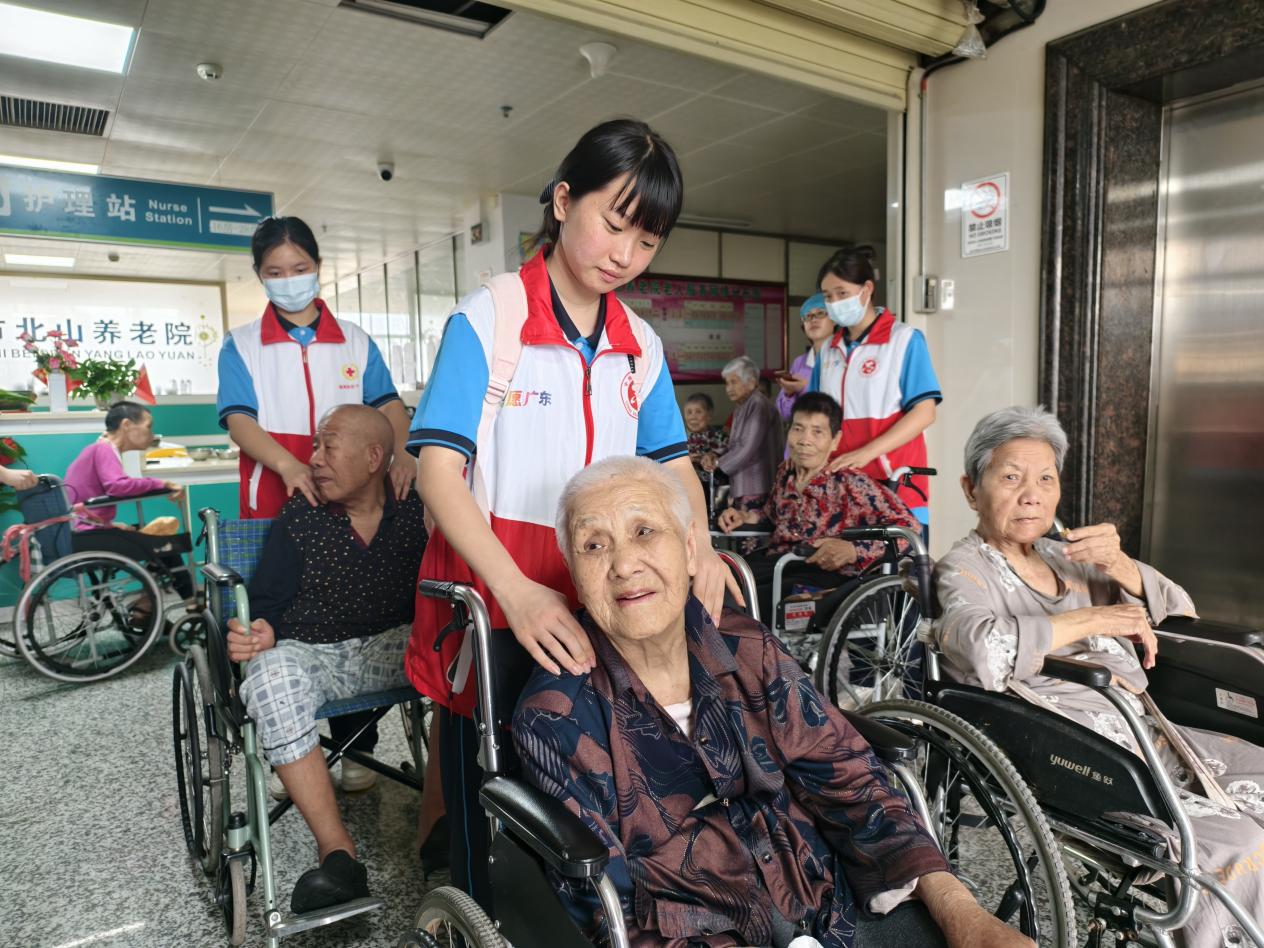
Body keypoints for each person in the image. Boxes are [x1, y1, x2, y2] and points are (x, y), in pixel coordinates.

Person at [404, 118, 737, 911]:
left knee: (595, 781)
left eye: (647, 242)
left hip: (602, 594)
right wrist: (517, 593)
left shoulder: (639, 344)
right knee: (490, 788)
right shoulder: (491, 318)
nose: (624, 255)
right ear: (562, 201)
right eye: (613, 224)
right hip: (495, 599)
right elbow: (437, 473)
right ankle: (478, 904)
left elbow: (673, 466)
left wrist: (701, 545)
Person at [513, 456, 1033, 948]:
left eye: (644, 531)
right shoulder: (556, 717)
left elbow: (850, 779)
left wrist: (965, 914)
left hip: (826, 899)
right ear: (574, 572)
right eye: (594, 545)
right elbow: (611, 914)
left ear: (691, 548)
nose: (625, 564)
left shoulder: (746, 646)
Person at [934, 405, 1264, 948]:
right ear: (972, 490)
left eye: (1045, 479)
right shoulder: (965, 567)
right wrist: (1094, 619)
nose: (1031, 495)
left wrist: (1123, 567)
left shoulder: (1072, 556)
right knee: (1236, 844)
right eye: (1011, 477)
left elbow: (1184, 615)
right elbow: (977, 645)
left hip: (1150, 733)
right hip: (1077, 750)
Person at [217, 215, 416, 790]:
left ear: (318, 268)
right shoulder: (243, 344)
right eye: (275, 272)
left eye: (299, 268)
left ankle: (357, 750)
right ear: (260, 276)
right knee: (290, 614)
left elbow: (388, 406)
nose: (289, 280)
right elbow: (238, 419)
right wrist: (288, 465)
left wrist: (402, 452)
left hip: (356, 496)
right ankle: (292, 743)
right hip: (276, 496)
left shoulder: (353, 340)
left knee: (358, 607)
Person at [229, 405, 426, 914]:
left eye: (328, 446)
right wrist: (260, 631)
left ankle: (444, 830)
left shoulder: (415, 511)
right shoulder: (301, 515)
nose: (314, 458)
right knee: (269, 677)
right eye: (315, 446)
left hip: (393, 649)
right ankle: (338, 856)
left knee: (462, 648)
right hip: (313, 653)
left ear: (374, 458)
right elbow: (267, 603)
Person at [718, 392, 919, 621]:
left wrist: (854, 550)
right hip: (779, 563)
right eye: (798, 429)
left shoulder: (849, 482)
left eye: (817, 432)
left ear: (835, 441)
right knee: (719, 575)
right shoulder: (785, 473)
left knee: (737, 599)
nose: (805, 440)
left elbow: (909, 527)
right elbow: (771, 515)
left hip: (820, 572)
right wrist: (745, 516)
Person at [815, 247, 941, 527]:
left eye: (842, 293)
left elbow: (924, 413)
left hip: (895, 487)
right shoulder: (828, 351)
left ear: (867, 289)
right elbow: (814, 415)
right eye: (828, 296)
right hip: (841, 492)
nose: (834, 302)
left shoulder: (904, 340)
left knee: (897, 555)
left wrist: (866, 453)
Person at [62, 401, 192, 607]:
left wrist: (110, 525)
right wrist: (162, 484)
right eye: (148, 426)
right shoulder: (104, 449)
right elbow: (117, 486)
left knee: (154, 538)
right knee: (164, 542)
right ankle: (190, 603)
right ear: (126, 425)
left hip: (83, 530)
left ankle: (147, 605)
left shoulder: (99, 449)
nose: (151, 434)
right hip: (87, 535)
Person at [700, 356, 783, 534]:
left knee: (750, 535)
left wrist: (717, 463)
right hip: (745, 484)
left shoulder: (758, 405)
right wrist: (714, 454)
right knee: (738, 531)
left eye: (734, 382)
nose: (728, 388)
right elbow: (735, 445)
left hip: (757, 486)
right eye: (727, 383)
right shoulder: (742, 406)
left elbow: (746, 449)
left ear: (751, 382)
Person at [773, 293, 833, 420]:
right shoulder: (799, 362)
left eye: (821, 313)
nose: (813, 320)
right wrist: (789, 393)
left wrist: (804, 388)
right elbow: (785, 414)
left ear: (835, 319)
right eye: (808, 316)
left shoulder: (845, 356)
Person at [684, 392, 727, 464]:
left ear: (709, 415)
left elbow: (730, 460)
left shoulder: (720, 437)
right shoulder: (680, 440)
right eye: (689, 412)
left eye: (698, 412)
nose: (693, 417)